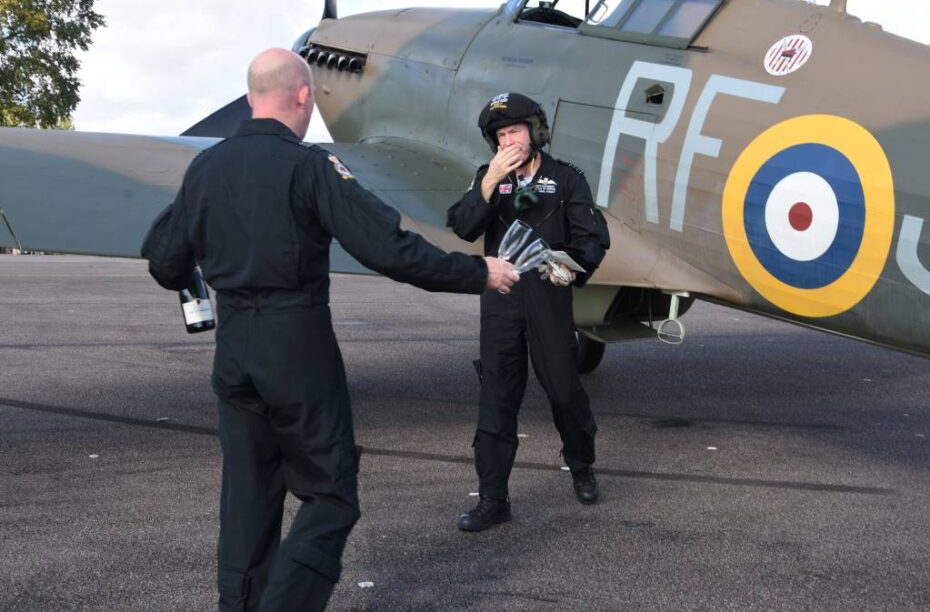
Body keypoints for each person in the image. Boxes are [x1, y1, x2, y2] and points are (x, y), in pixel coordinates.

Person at [141, 48, 518, 611]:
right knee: (331, 495)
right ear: (303, 96)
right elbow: (388, 248)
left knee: (248, 497)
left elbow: (165, 261)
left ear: (250, 98)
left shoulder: (205, 167)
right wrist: (475, 271)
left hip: (234, 349)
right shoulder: (311, 167)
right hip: (296, 345)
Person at [446, 92, 611, 532]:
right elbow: (463, 226)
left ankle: (581, 465)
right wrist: (488, 182)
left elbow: (592, 238)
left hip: (547, 293)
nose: (508, 141)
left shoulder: (567, 179)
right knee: (497, 398)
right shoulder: (488, 178)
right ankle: (493, 499)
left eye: (514, 131)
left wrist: (574, 270)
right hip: (500, 296)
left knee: (563, 390)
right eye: (500, 136)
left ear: (535, 132)